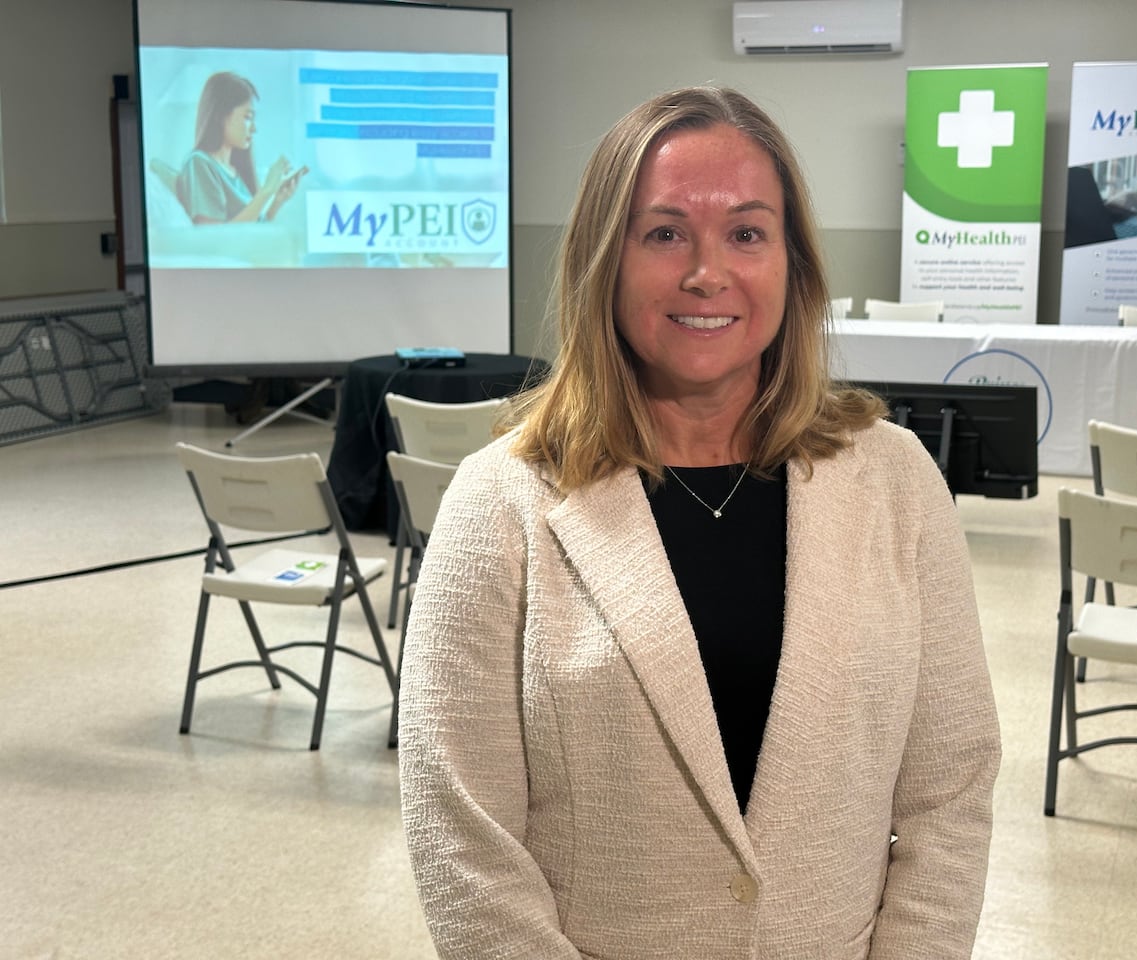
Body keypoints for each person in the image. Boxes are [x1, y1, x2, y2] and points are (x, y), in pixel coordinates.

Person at [398, 85, 1001, 959]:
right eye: (664, 233)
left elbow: (952, 787)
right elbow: (461, 833)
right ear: (604, 259)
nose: (706, 273)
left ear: (793, 266)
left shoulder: (896, 481)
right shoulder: (500, 502)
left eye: (747, 234)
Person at [175, 71, 306, 225]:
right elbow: (212, 235)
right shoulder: (199, 163)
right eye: (247, 117)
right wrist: (266, 191)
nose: (254, 129)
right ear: (221, 115)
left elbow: (251, 231)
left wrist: (277, 202)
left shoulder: (237, 172)